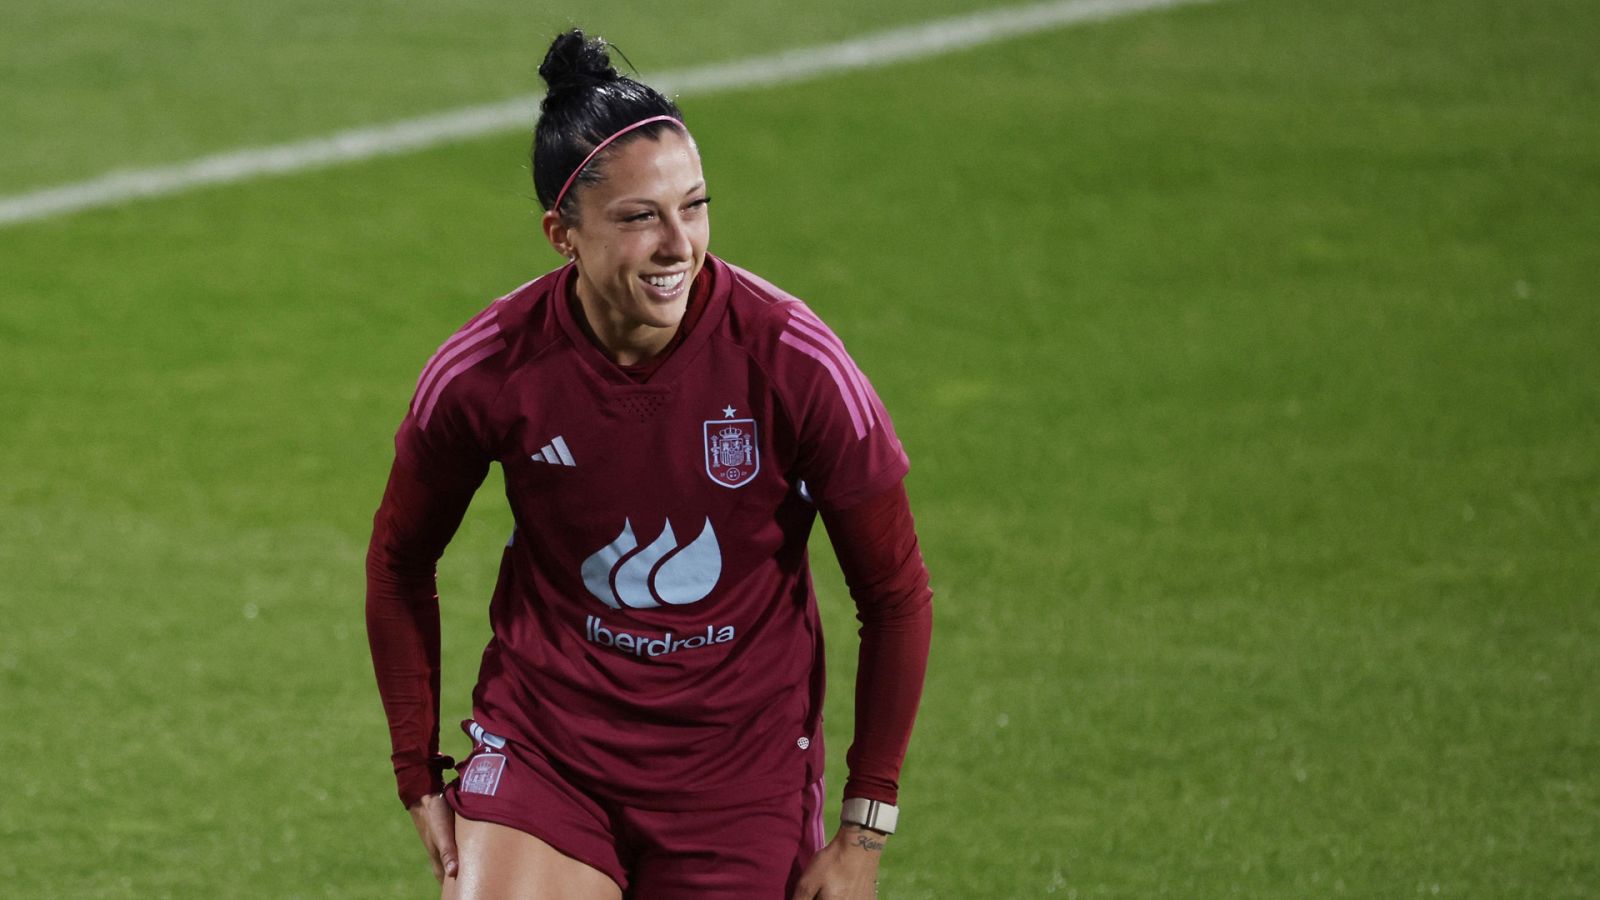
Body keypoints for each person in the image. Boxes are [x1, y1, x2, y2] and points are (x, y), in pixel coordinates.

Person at [365, 28, 933, 900]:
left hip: (738, 776)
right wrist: (417, 772)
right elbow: (401, 561)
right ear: (562, 232)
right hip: (551, 751)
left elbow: (893, 593)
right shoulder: (488, 371)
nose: (680, 244)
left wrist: (867, 825)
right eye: (641, 217)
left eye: (695, 205)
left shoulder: (791, 359)